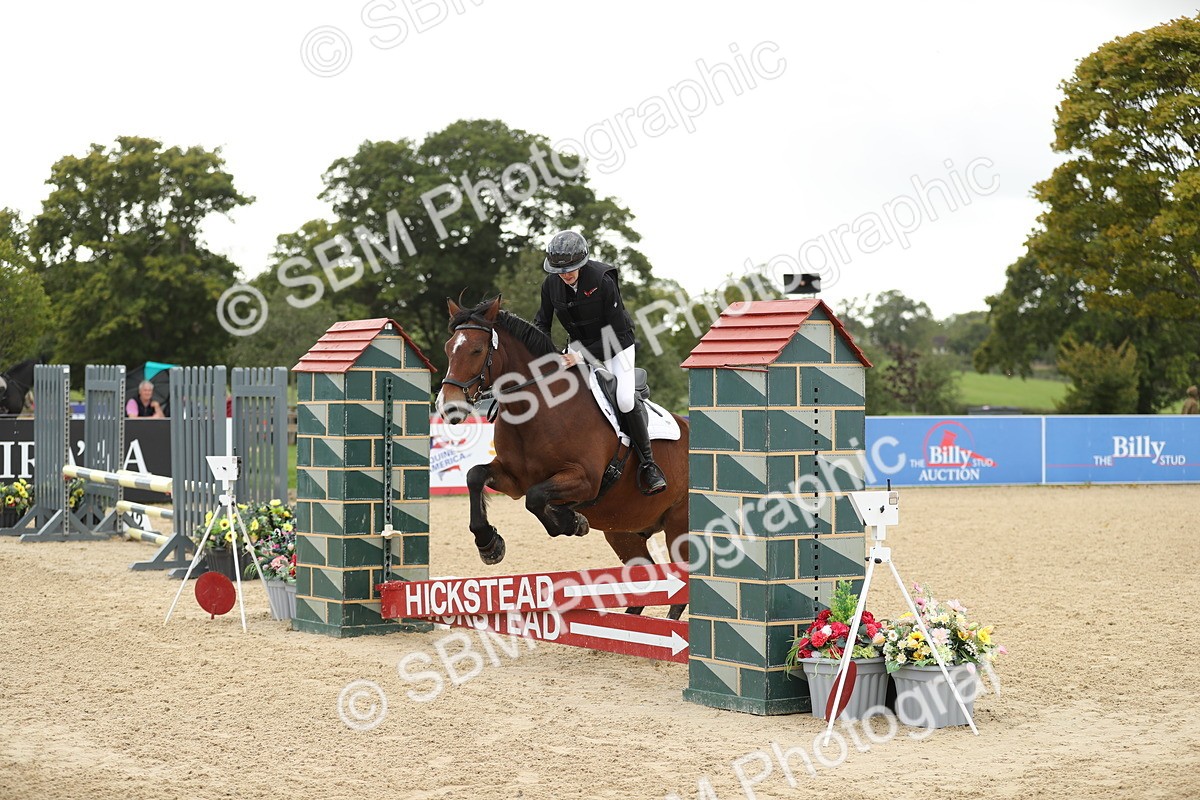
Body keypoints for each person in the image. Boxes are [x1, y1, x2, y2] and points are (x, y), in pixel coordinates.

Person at [533, 230, 667, 495]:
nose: (566, 274)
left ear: (582, 263)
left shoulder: (602, 281)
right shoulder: (550, 285)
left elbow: (618, 334)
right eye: (560, 270)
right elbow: (542, 323)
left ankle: (649, 466)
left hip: (617, 346)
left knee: (625, 399)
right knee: (563, 394)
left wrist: (580, 356)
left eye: (571, 269)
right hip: (578, 347)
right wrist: (541, 354)